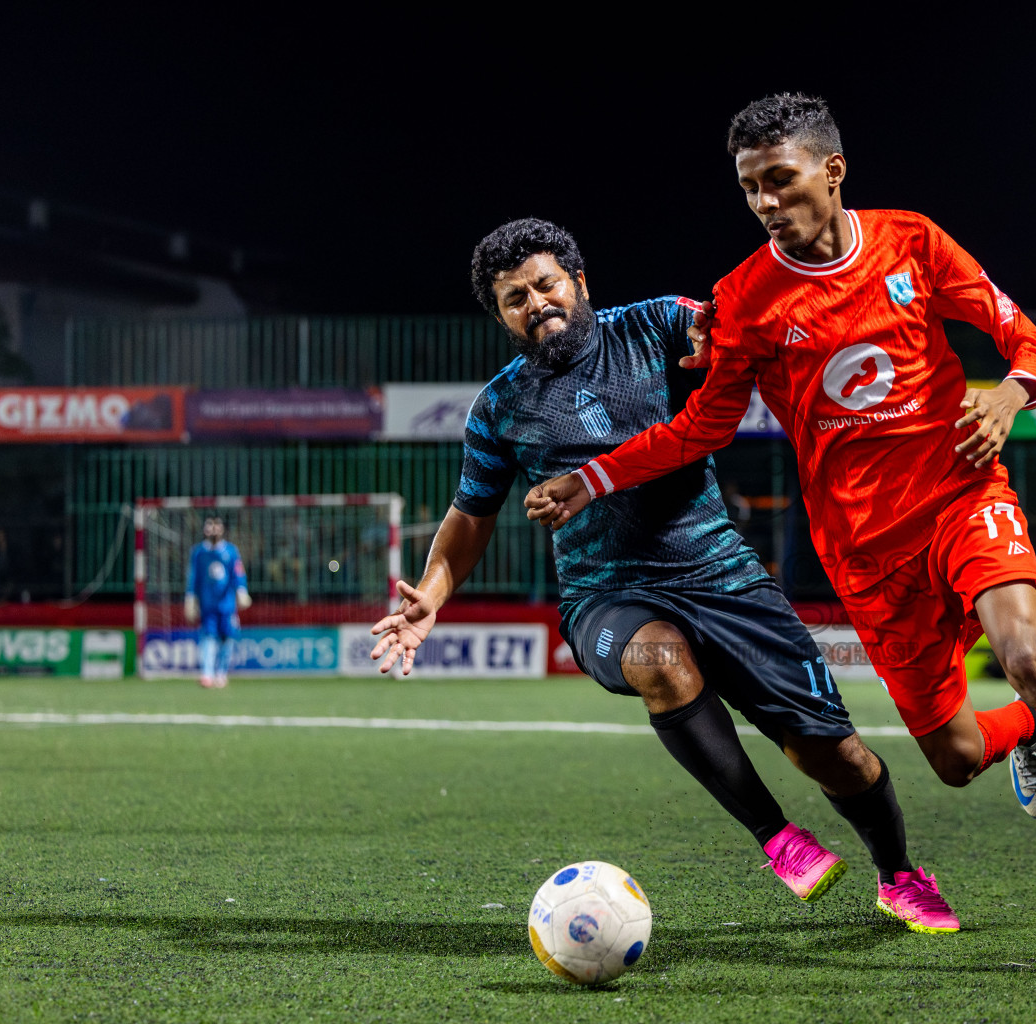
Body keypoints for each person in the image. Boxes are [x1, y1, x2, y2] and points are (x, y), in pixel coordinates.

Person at [526, 94, 1036, 955]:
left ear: (833, 170)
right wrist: (593, 477)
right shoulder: (744, 298)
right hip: (864, 553)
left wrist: (1008, 396)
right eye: (750, 188)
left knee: (1028, 653)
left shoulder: (913, 242)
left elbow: (1032, 340)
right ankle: (1028, 726)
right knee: (956, 758)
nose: (767, 202)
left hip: (961, 496)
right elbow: (702, 427)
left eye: (781, 179)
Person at [369, 218, 958, 934]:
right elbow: (470, 516)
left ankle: (900, 876)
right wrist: (431, 596)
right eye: (514, 298)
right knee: (660, 660)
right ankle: (777, 837)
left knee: (836, 756)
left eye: (546, 285)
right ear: (501, 316)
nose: (536, 304)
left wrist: (721, 338)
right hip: (605, 596)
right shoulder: (499, 408)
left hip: (721, 575)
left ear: (579, 282)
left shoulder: (655, 325)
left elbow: (724, 325)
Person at [184, 516, 250, 689]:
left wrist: (241, 590)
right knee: (208, 636)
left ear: (222, 529)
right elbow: (193, 576)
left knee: (227, 637)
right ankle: (207, 674)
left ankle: (221, 673)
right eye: (210, 526)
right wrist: (190, 597)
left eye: (216, 525)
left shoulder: (231, 551)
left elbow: (238, 573)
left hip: (227, 604)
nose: (213, 529)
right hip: (207, 604)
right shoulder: (199, 552)